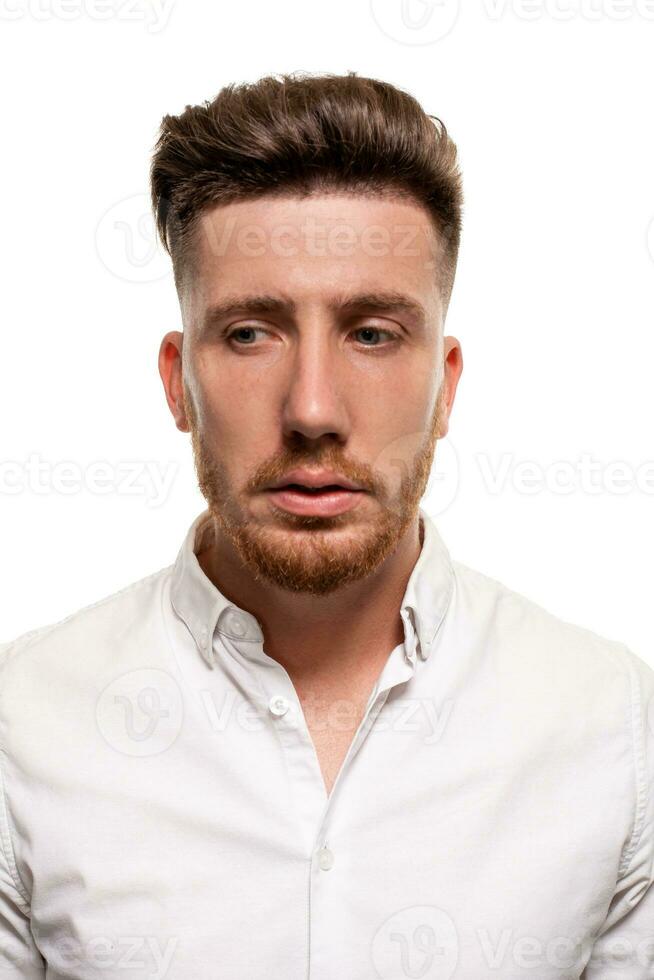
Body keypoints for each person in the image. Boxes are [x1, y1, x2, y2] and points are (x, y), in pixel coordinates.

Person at [0, 71, 651, 979]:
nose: (312, 409)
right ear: (175, 381)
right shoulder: (21, 725)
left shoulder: (613, 728)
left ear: (446, 386)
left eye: (374, 333)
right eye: (250, 333)